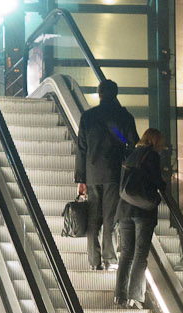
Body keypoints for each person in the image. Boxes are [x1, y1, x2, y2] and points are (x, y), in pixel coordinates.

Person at [74, 79, 138, 271]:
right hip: (114, 173)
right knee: (110, 216)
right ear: (115, 94)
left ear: (99, 94)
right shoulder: (124, 116)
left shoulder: (88, 116)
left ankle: (94, 261)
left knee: (94, 216)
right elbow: (134, 143)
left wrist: (81, 179)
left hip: (92, 174)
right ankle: (109, 258)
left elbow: (81, 149)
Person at [112, 128, 168, 308]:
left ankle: (119, 295)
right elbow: (156, 181)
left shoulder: (131, 154)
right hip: (143, 211)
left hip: (125, 209)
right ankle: (135, 296)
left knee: (126, 253)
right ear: (155, 141)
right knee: (140, 254)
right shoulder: (151, 156)